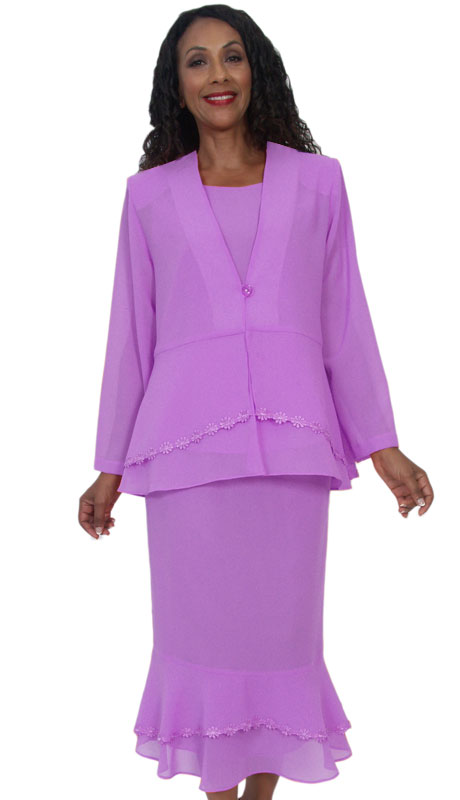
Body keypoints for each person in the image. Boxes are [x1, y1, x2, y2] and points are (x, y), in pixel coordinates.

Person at [78, 5, 434, 800]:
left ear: (256, 70)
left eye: (232, 56)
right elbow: (130, 336)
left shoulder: (319, 182)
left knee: (278, 648)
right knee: (204, 647)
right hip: (186, 464)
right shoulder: (149, 197)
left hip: (294, 456)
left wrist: (383, 447)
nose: (218, 75)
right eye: (197, 61)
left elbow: (345, 320)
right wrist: (109, 467)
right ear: (176, 86)